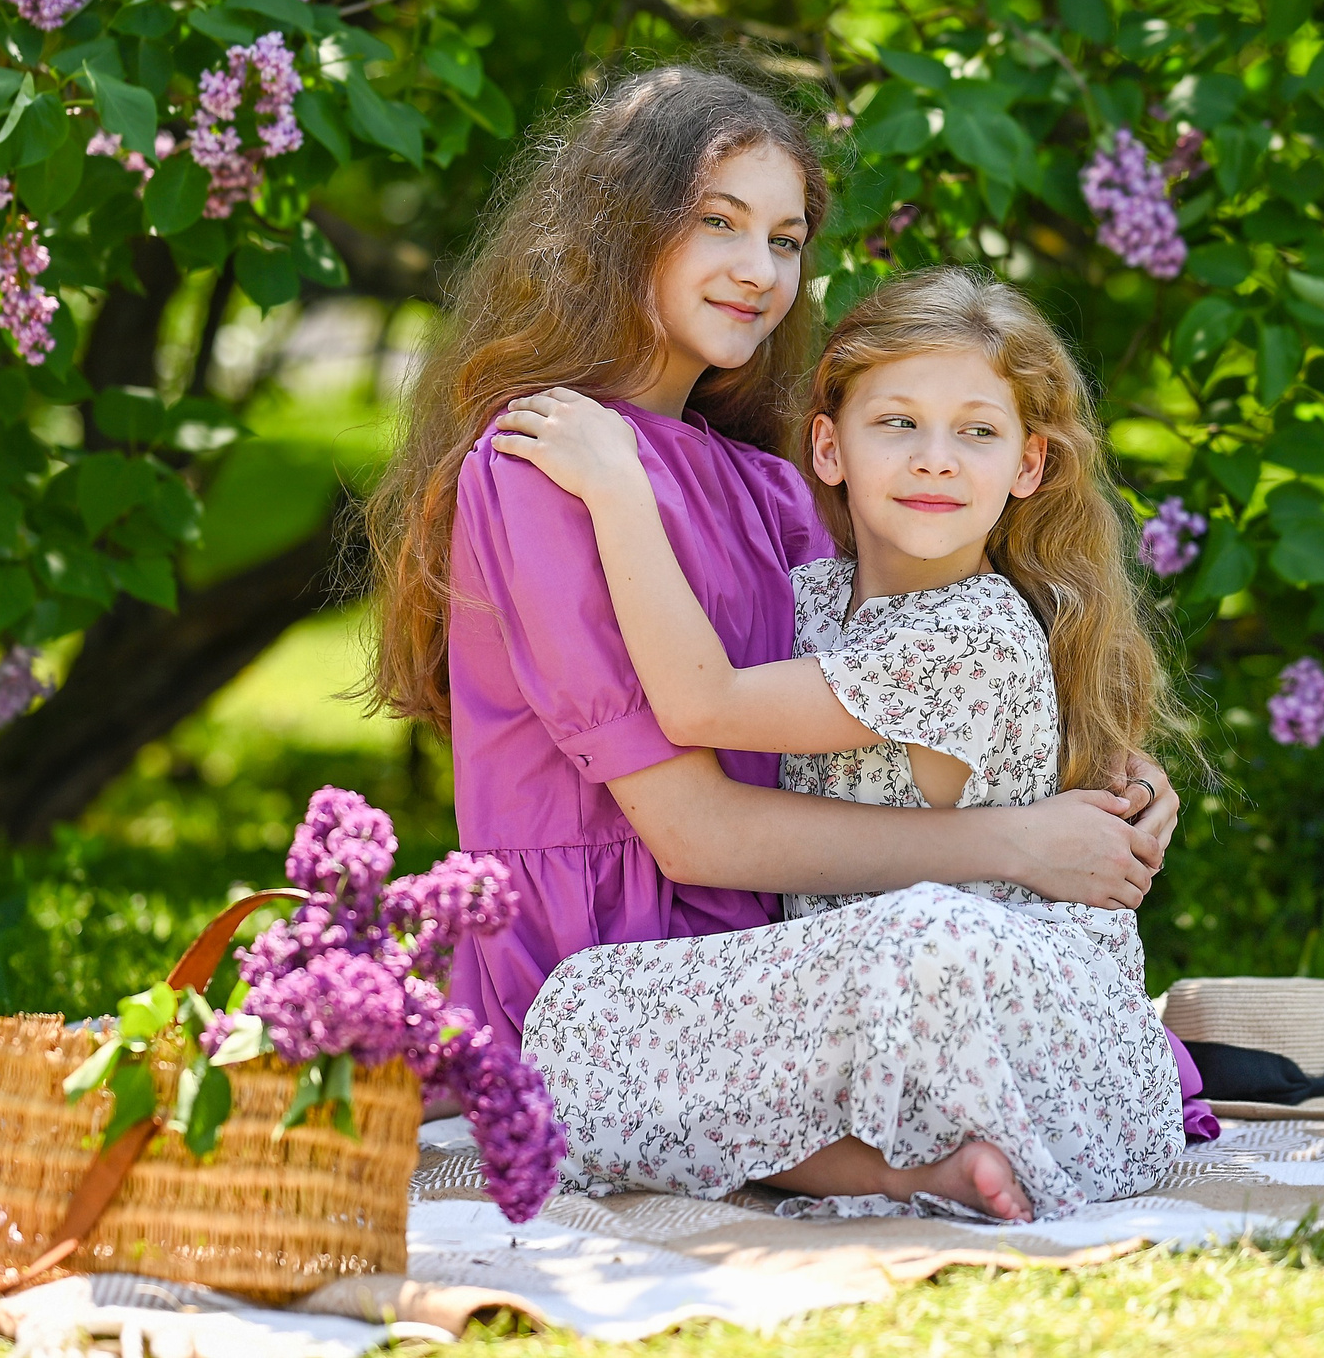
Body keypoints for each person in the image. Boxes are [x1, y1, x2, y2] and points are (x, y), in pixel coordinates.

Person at [363, 64, 1181, 1077]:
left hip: (779, 912)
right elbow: (692, 831)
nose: (758, 267)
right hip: (608, 940)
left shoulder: (769, 486)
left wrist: (1097, 771)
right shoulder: (549, 464)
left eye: (785, 240)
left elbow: (904, 676)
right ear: (624, 223)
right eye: (719, 221)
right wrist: (1019, 841)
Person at [496, 267, 1189, 1219]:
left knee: (920, 928)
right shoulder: (818, 598)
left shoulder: (976, 633)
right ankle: (919, 1174)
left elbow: (704, 704)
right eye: (897, 423)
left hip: (1016, 1024)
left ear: (1027, 467)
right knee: (581, 1014)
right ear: (830, 446)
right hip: (875, 998)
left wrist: (620, 491)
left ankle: (945, 1145)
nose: (935, 458)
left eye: (977, 432)